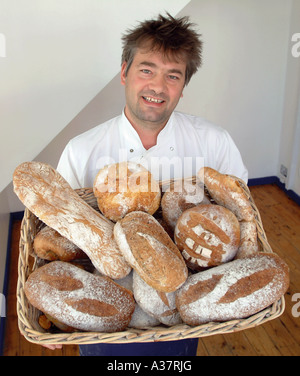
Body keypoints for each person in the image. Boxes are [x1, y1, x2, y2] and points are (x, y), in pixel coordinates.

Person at [49, 13, 248, 355]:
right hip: (106, 322)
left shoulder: (215, 143)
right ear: (124, 72)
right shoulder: (81, 151)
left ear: (183, 87)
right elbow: (58, 234)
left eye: (173, 75)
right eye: (146, 70)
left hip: (181, 320)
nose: (158, 86)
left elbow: (241, 217)